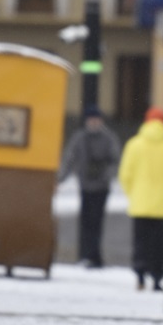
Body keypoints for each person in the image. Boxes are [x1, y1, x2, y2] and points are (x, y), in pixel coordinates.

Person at [118, 106, 163, 292]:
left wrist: (132, 194)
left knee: (140, 242)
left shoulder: (134, 144)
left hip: (139, 203)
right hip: (162, 205)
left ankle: (140, 276)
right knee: (159, 244)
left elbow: (125, 175)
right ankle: (157, 278)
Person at [57, 106, 122, 269]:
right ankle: (86, 254)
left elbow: (115, 161)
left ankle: (95, 255)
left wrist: (105, 175)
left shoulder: (108, 138)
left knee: (97, 221)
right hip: (85, 184)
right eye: (91, 119)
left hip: (101, 186)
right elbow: (70, 159)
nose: (94, 122)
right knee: (86, 221)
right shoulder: (80, 138)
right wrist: (60, 179)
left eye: (96, 119)